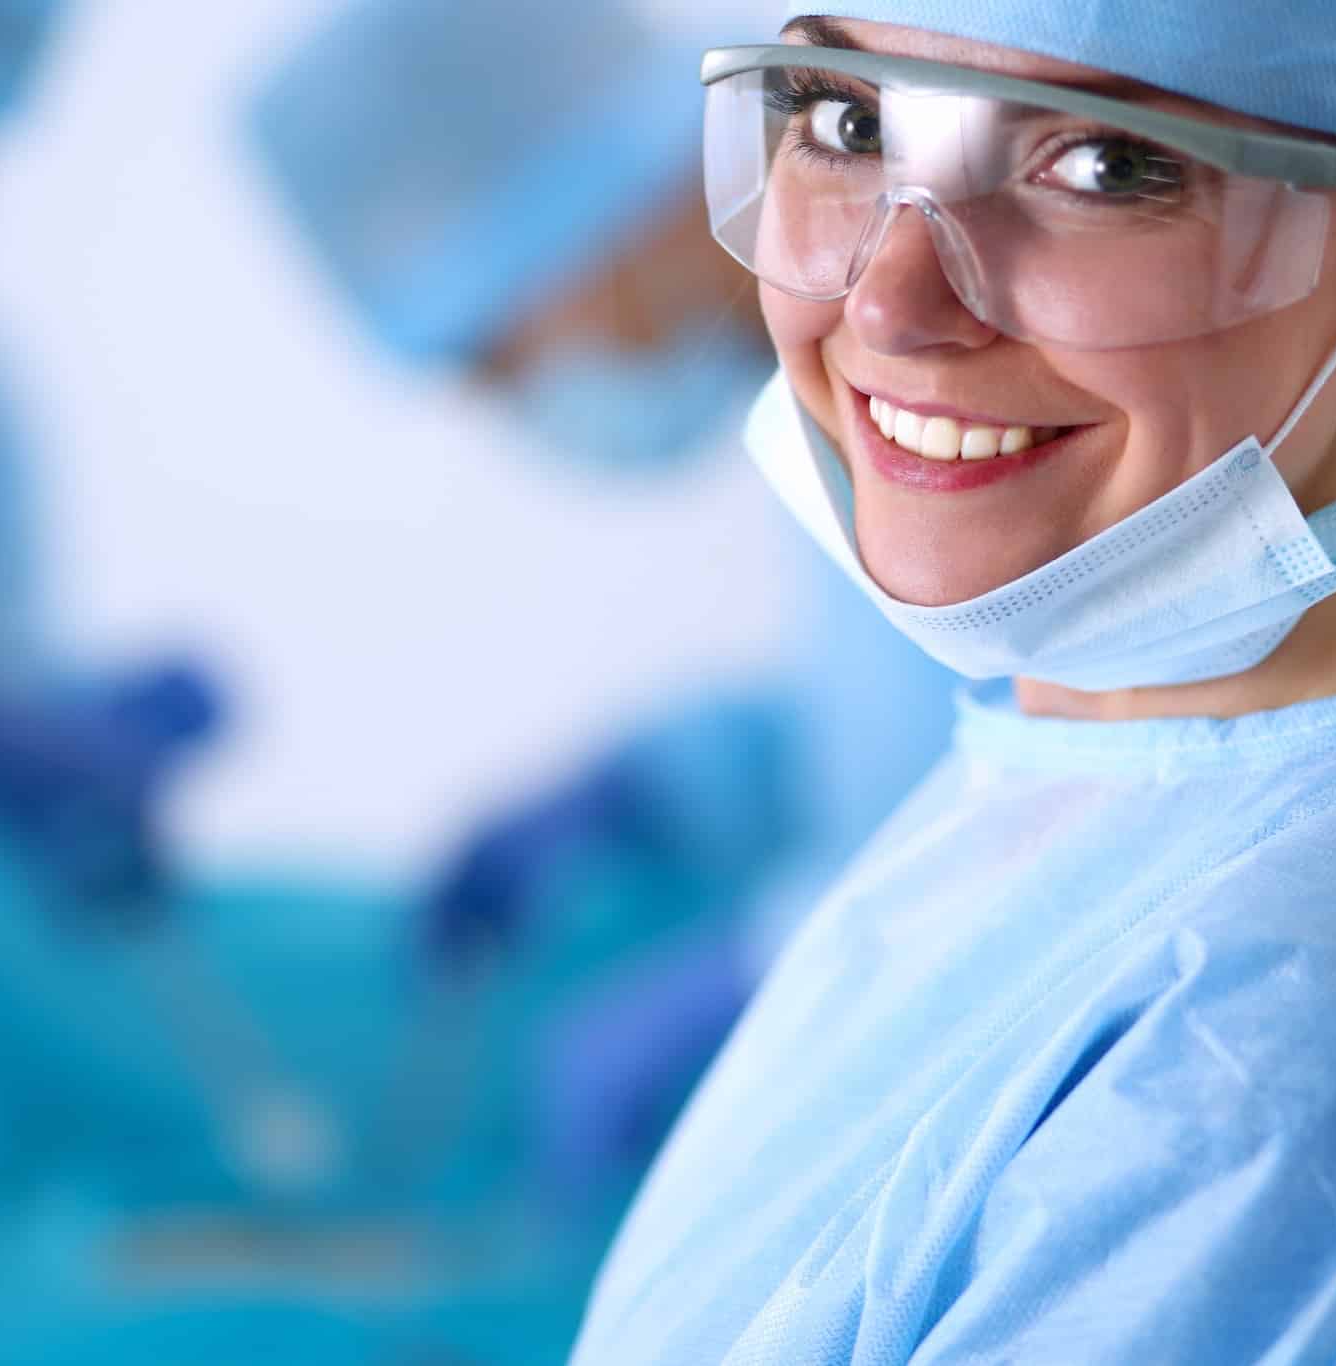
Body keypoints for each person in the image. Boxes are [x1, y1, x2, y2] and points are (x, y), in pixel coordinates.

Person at [571, 3, 1336, 1361]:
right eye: (846, 121)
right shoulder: (1084, 768)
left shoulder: (1277, 1054)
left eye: (1105, 165)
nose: (889, 301)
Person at [249, 0, 958, 1210]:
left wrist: (770, 963)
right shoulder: (828, 403)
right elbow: (909, 718)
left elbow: (1067, 776)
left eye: (501, 352)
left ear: (596, 207)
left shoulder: (952, 351)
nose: (517, 400)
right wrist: (660, 783)